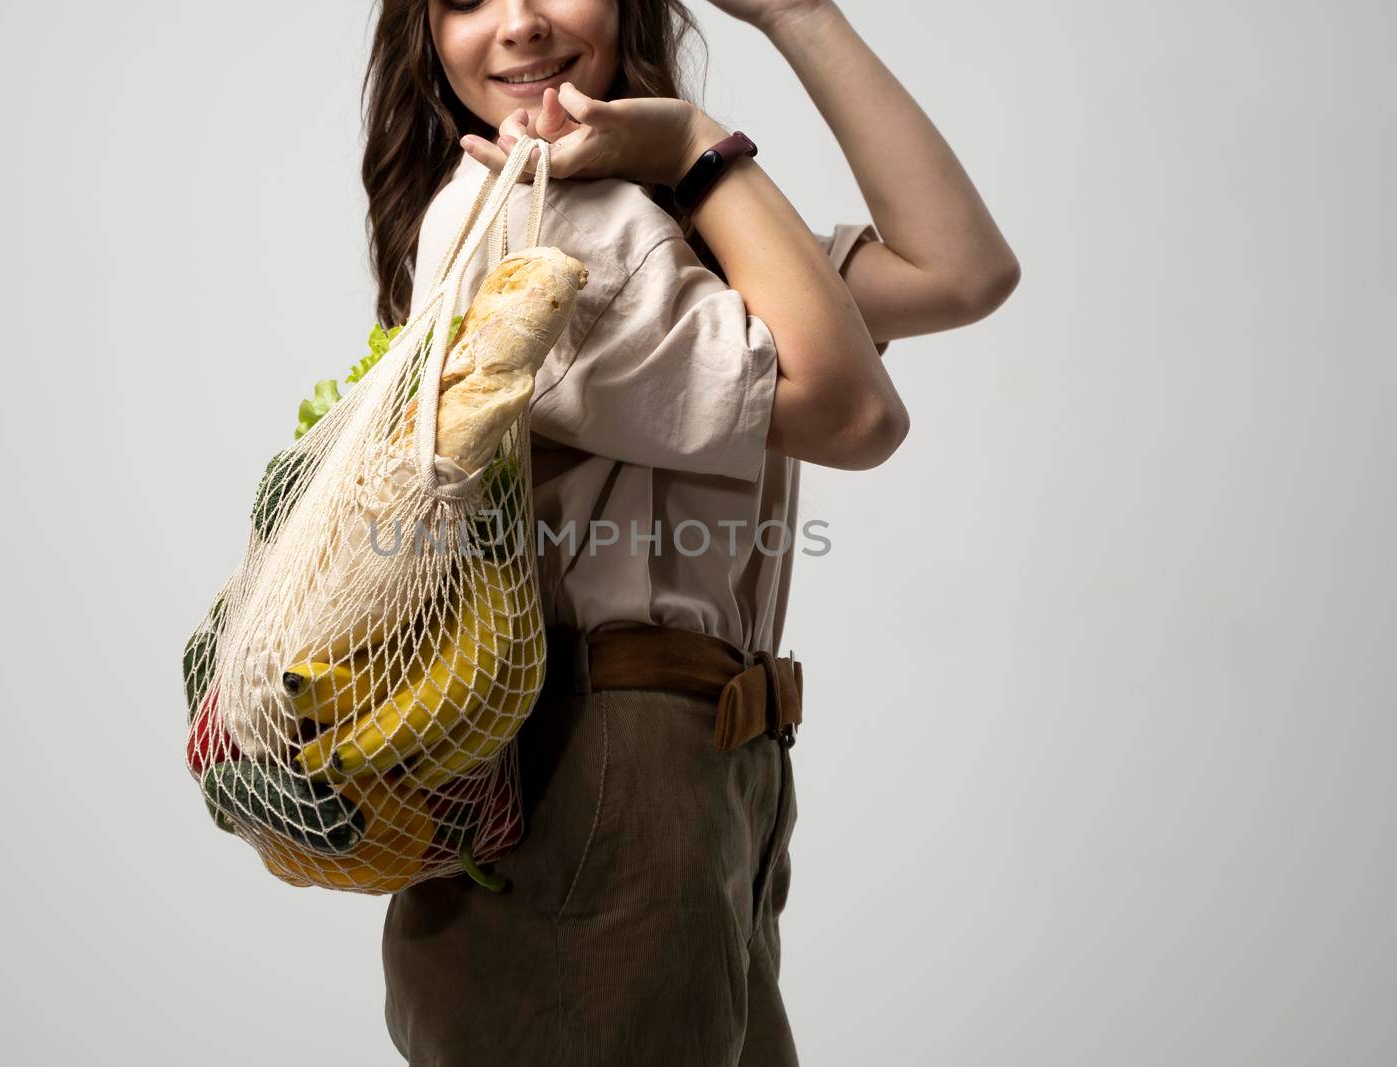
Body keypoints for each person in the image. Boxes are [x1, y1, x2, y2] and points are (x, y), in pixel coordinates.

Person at [360, 1, 1019, 1063]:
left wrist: (793, 17)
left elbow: (961, 271)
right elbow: (856, 415)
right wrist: (691, 141)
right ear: (425, 38)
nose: (519, 24)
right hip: (610, 770)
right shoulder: (540, 230)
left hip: (703, 768)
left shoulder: (658, 216)